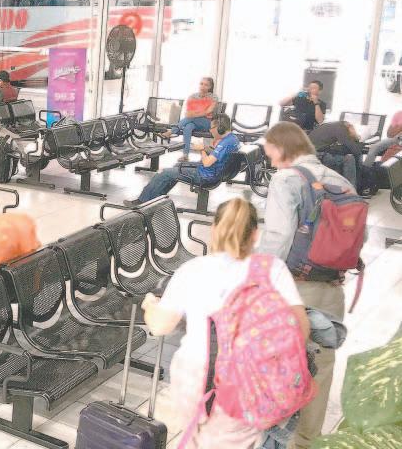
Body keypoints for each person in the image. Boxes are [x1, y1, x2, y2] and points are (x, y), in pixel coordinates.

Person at [141, 198, 309, 448]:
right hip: (249, 382)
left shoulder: (192, 270)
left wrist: (149, 306)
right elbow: (301, 330)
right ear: (255, 234)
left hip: (193, 376)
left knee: (196, 437)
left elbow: (160, 326)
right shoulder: (272, 269)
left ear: (214, 229)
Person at [256, 122, 357, 449]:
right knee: (321, 367)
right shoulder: (339, 180)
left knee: (281, 365)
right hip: (332, 289)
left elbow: (278, 236)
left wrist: (257, 280)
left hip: (295, 290)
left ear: (282, 148)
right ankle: (307, 441)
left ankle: (274, 440)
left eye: (271, 153)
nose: (271, 161)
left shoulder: (287, 179)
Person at [126, 114, 239, 205]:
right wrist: (205, 148)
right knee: (176, 167)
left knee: (164, 173)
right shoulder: (233, 139)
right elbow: (218, 156)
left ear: (220, 128)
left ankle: (142, 201)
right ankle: (156, 199)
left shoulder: (224, 143)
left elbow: (207, 163)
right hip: (214, 173)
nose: (210, 131)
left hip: (205, 176)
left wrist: (201, 150)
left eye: (212, 128)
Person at [161, 77, 219, 157]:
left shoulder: (213, 97)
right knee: (188, 127)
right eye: (201, 84)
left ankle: (172, 131)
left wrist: (195, 113)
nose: (202, 86)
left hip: (207, 123)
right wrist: (200, 112)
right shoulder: (193, 96)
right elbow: (188, 113)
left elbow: (208, 111)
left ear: (210, 87)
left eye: (206, 85)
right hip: (193, 122)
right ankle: (185, 155)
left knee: (191, 118)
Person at [308, 121, 363, 187]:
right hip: (319, 156)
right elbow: (355, 149)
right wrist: (356, 139)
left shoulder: (329, 125)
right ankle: (351, 188)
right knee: (349, 158)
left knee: (340, 157)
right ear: (349, 128)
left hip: (310, 155)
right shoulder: (341, 128)